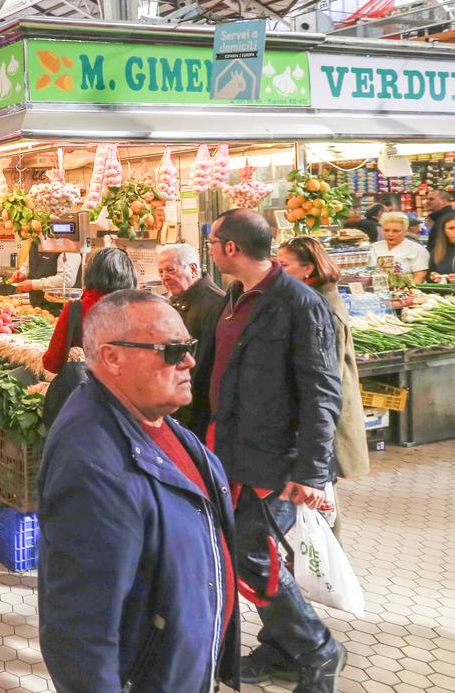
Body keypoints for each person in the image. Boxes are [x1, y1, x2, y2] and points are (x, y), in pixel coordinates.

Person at [39, 290, 237, 693]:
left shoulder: (154, 419)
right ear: (112, 357)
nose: (189, 361)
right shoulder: (92, 464)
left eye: (190, 346)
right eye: (171, 350)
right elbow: (80, 629)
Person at [195, 209, 346, 692]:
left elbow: (323, 392)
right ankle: (280, 647)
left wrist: (314, 471)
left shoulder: (299, 304)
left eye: (213, 240)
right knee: (245, 553)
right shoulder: (234, 298)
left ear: (231, 249)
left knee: (253, 556)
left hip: (276, 458)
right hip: (232, 447)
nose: (212, 247)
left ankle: (319, 648)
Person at [276, 237, 370, 533]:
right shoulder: (311, 297)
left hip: (326, 417)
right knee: (320, 494)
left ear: (308, 268)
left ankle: (330, 565)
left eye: (284, 265)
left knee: (321, 494)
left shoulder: (321, 306)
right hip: (323, 416)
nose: (278, 271)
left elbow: (326, 377)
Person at [42, 246, 135, 375]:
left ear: (90, 272)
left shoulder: (76, 309)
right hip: (127, 390)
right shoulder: (139, 310)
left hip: (89, 390)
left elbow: (52, 363)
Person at [157, 242, 224, 376]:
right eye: (161, 272)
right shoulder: (172, 301)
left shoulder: (218, 304)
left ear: (193, 269)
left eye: (171, 270)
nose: (164, 277)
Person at [8, 238, 81, 316]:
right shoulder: (36, 243)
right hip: (37, 306)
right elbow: (28, 264)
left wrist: (33, 284)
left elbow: (66, 280)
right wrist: (23, 273)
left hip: (60, 309)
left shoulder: (68, 247)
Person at [370, 211, 429, 281]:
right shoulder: (373, 247)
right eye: (386, 230)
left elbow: (420, 277)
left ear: (405, 230)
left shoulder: (417, 250)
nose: (390, 234)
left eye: (395, 231)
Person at [425, 187, 454, 257]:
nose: (427, 202)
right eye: (426, 199)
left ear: (444, 201)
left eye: (431, 199)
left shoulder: (447, 219)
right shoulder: (437, 218)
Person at [430, 212, 455, 276]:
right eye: (451, 228)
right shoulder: (437, 252)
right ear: (444, 231)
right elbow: (430, 276)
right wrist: (434, 277)